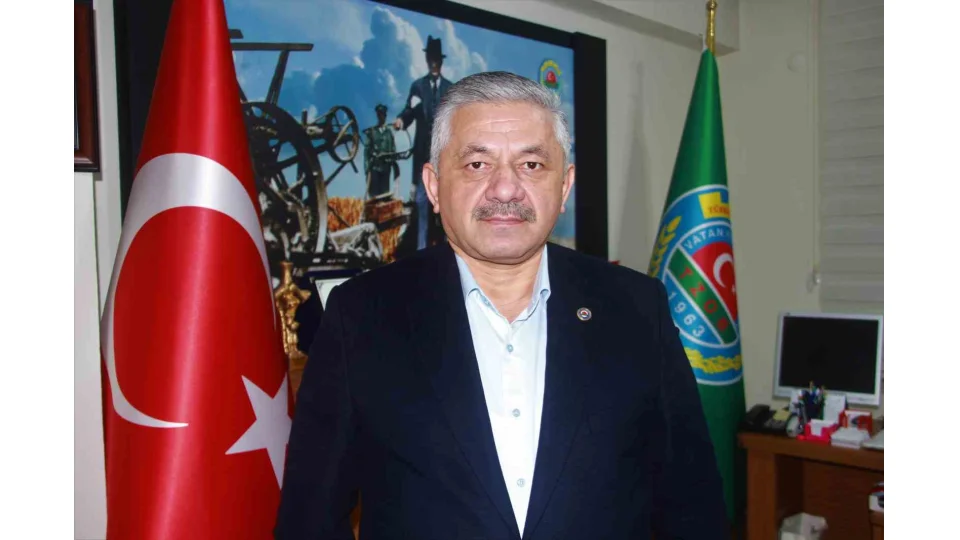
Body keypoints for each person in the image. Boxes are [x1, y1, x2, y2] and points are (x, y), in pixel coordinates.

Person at [275, 71, 728, 540]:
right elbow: (310, 519)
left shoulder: (637, 308)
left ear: (565, 186)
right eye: (477, 164)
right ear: (433, 185)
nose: (506, 189)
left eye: (531, 164)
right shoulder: (360, 315)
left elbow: (693, 505)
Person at [393, 35, 452, 250]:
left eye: (437, 59)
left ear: (441, 61)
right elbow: (409, 110)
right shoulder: (418, 87)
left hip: (445, 161)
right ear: (427, 60)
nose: (434, 63)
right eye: (431, 59)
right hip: (422, 161)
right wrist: (401, 120)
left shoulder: (451, 89)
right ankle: (421, 253)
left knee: (446, 208)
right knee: (421, 205)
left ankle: (446, 253)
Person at [363, 104, 397, 199]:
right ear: (377, 115)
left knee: (385, 196)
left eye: (383, 114)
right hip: (374, 168)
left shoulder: (389, 133)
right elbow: (366, 152)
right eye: (379, 114)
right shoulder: (372, 132)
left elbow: (393, 149)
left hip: (386, 169)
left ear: (385, 115)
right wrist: (367, 169)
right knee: (374, 196)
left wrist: (392, 161)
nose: (381, 116)